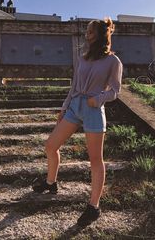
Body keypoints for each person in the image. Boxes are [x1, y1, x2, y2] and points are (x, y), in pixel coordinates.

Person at [32, 17, 123, 227]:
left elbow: (116, 91)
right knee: (51, 145)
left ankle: (94, 207)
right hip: (74, 107)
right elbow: (74, 86)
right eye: (86, 32)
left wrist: (98, 99)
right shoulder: (82, 58)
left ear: (100, 35)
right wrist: (64, 108)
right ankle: (51, 182)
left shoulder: (113, 61)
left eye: (90, 32)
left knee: (95, 159)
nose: (86, 35)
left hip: (93, 109)